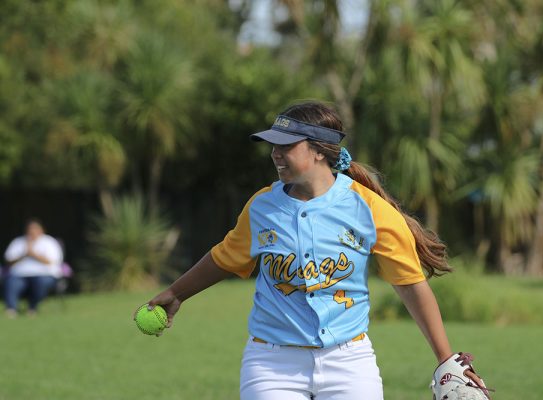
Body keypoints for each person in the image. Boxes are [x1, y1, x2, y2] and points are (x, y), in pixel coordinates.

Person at [140, 102, 489, 399]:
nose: (275, 152)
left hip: (349, 361)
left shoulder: (369, 208)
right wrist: (176, 293)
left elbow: (411, 285)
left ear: (319, 150)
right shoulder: (262, 207)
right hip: (272, 362)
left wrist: (445, 359)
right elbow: (224, 257)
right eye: (272, 145)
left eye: (286, 145)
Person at [3, 219, 63, 317]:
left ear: (41, 230)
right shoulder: (18, 242)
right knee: (11, 282)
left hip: (44, 274)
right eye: (29, 229)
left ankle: (32, 308)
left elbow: (52, 261)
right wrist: (24, 255)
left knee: (41, 283)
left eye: (34, 229)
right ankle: (11, 309)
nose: (32, 231)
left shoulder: (49, 242)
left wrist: (33, 254)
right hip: (20, 274)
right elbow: (8, 261)